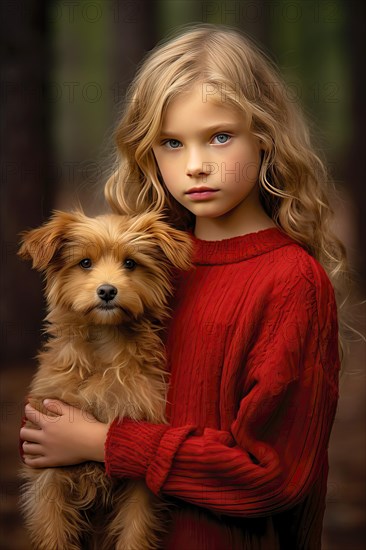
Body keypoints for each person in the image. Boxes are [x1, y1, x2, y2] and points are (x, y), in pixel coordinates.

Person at [20, 23, 349, 549]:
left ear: (264, 137)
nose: (195, 165)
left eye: (220, 136)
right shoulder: (145, 264)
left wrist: (107, 442)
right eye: (171, 143)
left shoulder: (290, 282)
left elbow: (276, 477)